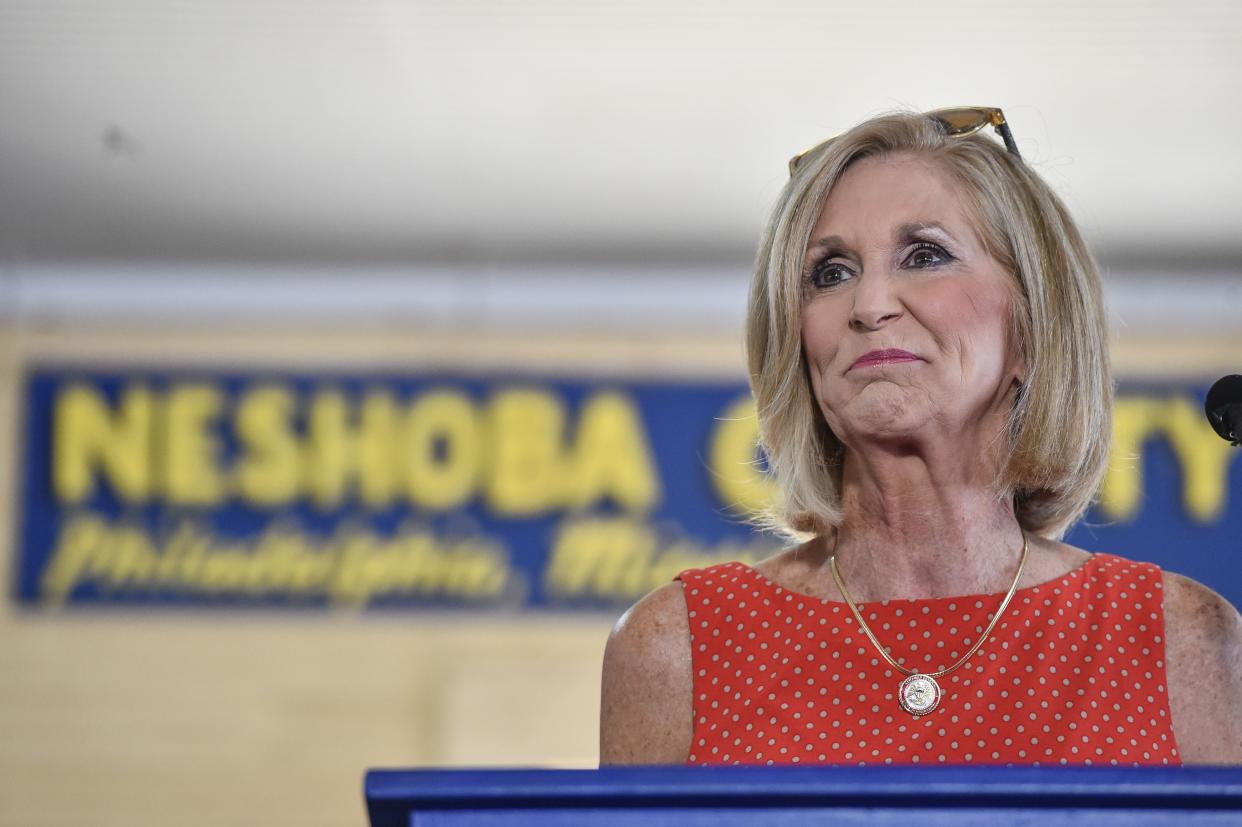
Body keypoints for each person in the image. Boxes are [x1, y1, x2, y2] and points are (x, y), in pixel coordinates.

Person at [599, 107, 1242, 767]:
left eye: (924, 255)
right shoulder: (678, 645)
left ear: (1031, 324)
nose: (870, 304)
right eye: (830, 272)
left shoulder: (1177, 637)